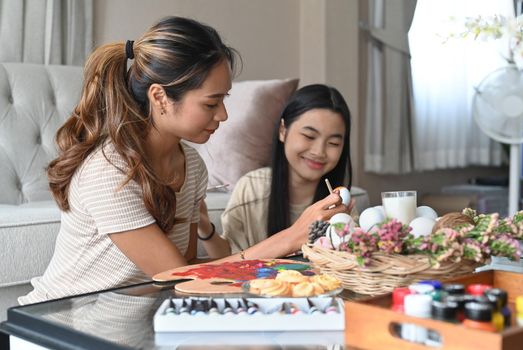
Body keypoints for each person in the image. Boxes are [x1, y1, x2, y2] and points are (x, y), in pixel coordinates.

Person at [19, 17, 346, 305]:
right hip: (58, 325)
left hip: (132, 322)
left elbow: (189, 271)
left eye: (224, 100)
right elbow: (178, 276)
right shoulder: (109, 171)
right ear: (160, 97)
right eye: (211, 103)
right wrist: (291, 236)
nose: (223, 114)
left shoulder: (190, 165)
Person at [199, 84, 356, 258]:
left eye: (333, 143)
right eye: (309, 136)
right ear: (283, 130)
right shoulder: (252, 188)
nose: (319, 152)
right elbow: (228, 259)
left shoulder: (340, 204)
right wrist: (205, 228)